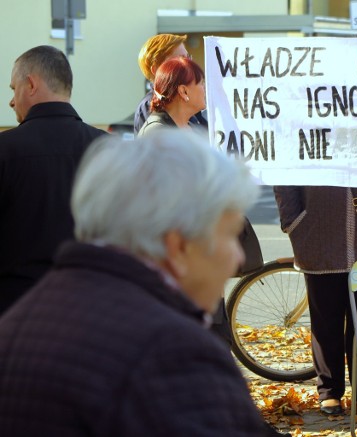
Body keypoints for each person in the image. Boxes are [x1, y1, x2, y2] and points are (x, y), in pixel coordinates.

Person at [0, 129, 271, 436]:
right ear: (178, 246)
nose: (238, 258)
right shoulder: (173, 354)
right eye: (231, 235)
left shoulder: (28, 316)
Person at [273, 186, 357, 417]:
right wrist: (292, 221)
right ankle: (329, 391)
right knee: (325, 322)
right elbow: (286, 177)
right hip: (318, 234)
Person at [0, 45, 105, 315]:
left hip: (16, 310)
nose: (11, 101)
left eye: (13, 89)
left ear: (31, 84)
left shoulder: (6, 149)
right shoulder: (111, 150)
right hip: (95, 307)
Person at [134, 33, 207, 134]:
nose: (188, 63)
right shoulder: (150, 109)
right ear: (157, 69)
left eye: (188, 57)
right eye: (180, 59)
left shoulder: (189, 109)